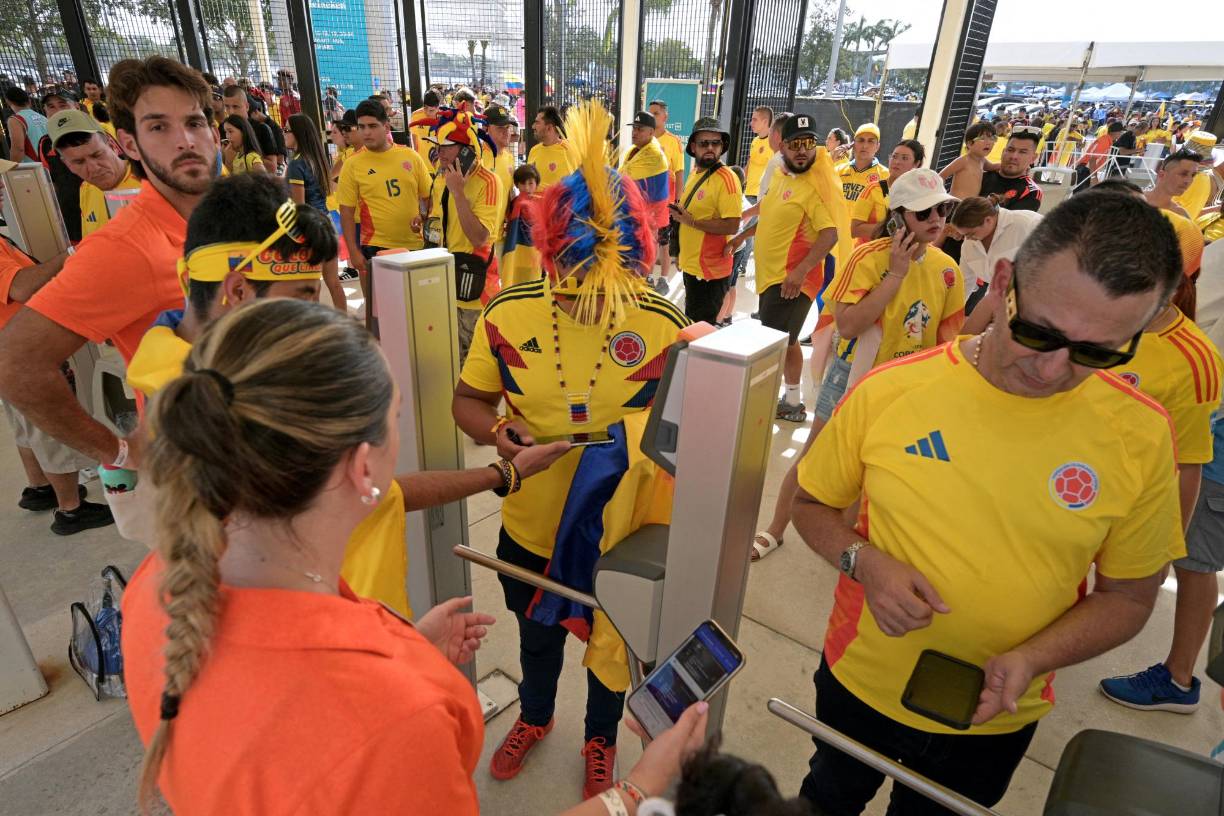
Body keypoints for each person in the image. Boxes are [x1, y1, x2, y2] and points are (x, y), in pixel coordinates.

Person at [122, 296, 700, 815]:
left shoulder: (156, 594)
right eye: (395, 420)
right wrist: (638, 789)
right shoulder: (396, 723)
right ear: (361, 467)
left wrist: (403, 654)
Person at [793, 191, 1184, 815]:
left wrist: (1035, 657)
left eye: (1098, 352)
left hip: (996, 717)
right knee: (826, 799)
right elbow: (810, 506)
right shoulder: (893, 391)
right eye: (1038, 332)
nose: (1055, 369)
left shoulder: (1140, 434)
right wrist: (862, 562)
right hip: (858, 679)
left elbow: (1130, 597)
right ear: (1003, 281)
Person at [453, 100, 691, 802]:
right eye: (573, 284)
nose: (590, 305)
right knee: (535, 639)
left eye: (607, 288)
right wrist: (499, 436)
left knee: (611, 653)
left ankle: (601, 737)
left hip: (619, 538)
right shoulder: (507, 313)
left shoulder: (664, 325)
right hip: (528, 528)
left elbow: (693, 448)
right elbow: (469, 404)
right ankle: (533, 715)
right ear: (553, 254)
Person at [0, 56, 219, 473]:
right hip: (198, 467)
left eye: (193, 122)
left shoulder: (227, 218)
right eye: (159, 127)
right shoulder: (127, 245)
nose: (185, 141)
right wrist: (118, 453)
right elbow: (15, 364)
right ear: (130, 143)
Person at [1085, 184, 1223, 714]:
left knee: (1194, 561)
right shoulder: (1111, 321)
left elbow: (1189, 463)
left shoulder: (1192, 356)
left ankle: (1179, 677)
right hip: (1102, 477)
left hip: (1197, 460)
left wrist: (1162, 544)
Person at [727, 113, 849, 424]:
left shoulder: (813, 187)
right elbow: (768, 215)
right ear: (783, 146)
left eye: (808, 144)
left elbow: (830, 233)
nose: (802, 150)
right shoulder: (782, 176)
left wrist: (800, 271)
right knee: (787, 342)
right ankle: (792, 400)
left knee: (775, 346)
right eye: (795, 144)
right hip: (772, 280)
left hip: (791, 281)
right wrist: (740, 235)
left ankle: (773, 405)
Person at [0, 236, 111, 535]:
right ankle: (71, 509)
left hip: (10, 352)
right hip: (21, 351)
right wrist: (71, 253)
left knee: (26, 426)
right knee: (51, 427)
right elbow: (21, 286)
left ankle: (40, 488)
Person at [336, 99, 431, 328]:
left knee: (417, 315)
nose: (366, 132)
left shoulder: (410, 157)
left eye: (372, 126)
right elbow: (346, 213)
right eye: (361, 127)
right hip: (375, 248)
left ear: (386, 127)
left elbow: (429, 198)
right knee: (381, 317)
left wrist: (424, 216)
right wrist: (354, 251)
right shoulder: (353, 164)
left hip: (414, 247)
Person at [424, 111, 503, 362]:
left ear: (467, 149)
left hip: (474, 287)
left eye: (448, 146)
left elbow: (480, 237)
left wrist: (458, 192)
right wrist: (425, 225)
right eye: (438, 145)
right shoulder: (440, 176)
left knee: (474, 363)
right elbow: (441, 220)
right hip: (441, 280)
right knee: (447, 357)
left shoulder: (489, 182)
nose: (441, 152)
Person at [671, 117, 741, 325]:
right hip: (694, 267)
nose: (710, 148)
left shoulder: (727, 179)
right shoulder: (695, 173)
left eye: (715, 143)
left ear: (722, 146)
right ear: (693, 146)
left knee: (701, 330)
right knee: (693, 323)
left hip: (710, 272)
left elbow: (732, 225)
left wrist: (691, 221)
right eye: (704, 143)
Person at [283, 113, 347, 312]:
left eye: (286, 130)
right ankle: (344, 325)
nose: (283, 134)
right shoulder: (317, 158)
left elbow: (299, 206)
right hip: (326, 223)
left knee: (312, 285)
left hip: (309, 228)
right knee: (333, 281)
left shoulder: (296, 164)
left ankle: (316, 331)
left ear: (298, 134)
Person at [48, 108, 141, 239]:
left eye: (97, 155)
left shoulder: (152, 181)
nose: (93, 168)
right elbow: (91, 242)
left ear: (112, 146)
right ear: (67, 165)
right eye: (79, 162)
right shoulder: (86, 189)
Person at [949, 195, 1042, 322]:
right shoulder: (969, 245)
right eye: (964, 235)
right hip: (999, 302)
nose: (968, 239)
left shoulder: (1027, 223)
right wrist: (950, 316)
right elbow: (964, 283)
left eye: (971, 234)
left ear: (988, 220)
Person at [620, 110, 674, 299]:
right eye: (634, 128)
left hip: (650, 215)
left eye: (640, 129)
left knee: (646, 253)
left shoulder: (653, 154)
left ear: (651, 132)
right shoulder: (634, 149)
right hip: (640, 213)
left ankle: (649, 282)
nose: (634, 132)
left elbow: (624, 180)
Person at [849, 139, 923, 242]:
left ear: (916, 163)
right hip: (870, 254)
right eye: (894, 156)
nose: (897, 162)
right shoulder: (873, 189)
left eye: (905, 158)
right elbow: (854, 229)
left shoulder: (920, 195)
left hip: (902, 255)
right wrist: (891, 229)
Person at [37, 90, 86, 243]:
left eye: (62, 105)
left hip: (101, 212)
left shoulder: (95, 134)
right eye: (51, 107)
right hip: (70, 217)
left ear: (76, 107)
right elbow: (50, 183)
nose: (57, 112)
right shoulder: (45, 143)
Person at [650, 99, 685, 293]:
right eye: (650, 113)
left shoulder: (673, 141)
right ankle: (647, 277)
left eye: (656, 113)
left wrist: (677, 202)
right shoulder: (644, 138)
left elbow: (679, 172)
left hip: (665, 202)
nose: (652, 116)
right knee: (648, 240)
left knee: (663, 242)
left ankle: (663, 279)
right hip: (646, 202)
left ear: (665, 117)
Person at [979, 126, 1043, 212]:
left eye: (1022, 152)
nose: (1014, 156)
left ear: (1033, 158)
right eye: (1010, 150)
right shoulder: (980, 176)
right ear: (1003, 152)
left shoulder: (1031, 192)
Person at [221, 85, 276, 173]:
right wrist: (225, 157)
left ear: (247, 106)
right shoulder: (223, 128)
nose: (231, 112)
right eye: (227, 106)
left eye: (235, 106)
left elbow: (273, 168)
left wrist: (246, 155)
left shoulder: (261, 129)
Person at [502, 163, 541, 285]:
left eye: (530, 183)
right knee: (519, 282)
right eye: (523, 184)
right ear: (517, 185)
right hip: (518, 252)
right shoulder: (515, 203)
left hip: (533, 252)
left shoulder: (539, 202)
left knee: (530, 282)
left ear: (536, 184)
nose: (527, 188)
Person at [938, 122, 996, 200]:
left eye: (992, 138)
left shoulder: (982, 160)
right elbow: (941, 176)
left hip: (969, 206)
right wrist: (942, 195)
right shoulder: (964, 160)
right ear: (969, 144)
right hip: (956, 203)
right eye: (982, 138)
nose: (988, 142)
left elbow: (992, 167)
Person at [837, 123, 888, 204]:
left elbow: (886, 207)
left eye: (871, 141)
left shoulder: (885, 176)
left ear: (877, 147)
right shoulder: (838, 171)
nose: (865, 145)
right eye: (861, 140)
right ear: (853, 144)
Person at [528, 105, 575, 190]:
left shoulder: (570, 149)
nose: (533, 127)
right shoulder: (533, 151)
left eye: (537, 123)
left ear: (549, 128)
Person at [1147, 148, 1202, 219]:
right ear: (1162, 175)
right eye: (1183, 174)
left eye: (1193, 175)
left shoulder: (1181, 216)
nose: (1188, 181)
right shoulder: (1134, 199)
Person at [4, 86, 48, 163]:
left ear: (8, 101)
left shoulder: (15, 120)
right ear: (29, 101)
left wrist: (12, 170)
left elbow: (18, 149)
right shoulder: (43, 117)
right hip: (51, 165)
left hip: (33, 168)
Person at [743, 105, 774, 200]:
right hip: (748, 193)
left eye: (754, 120)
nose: (751, 123)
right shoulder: (755, 141)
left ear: (765, 122)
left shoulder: (773, 143)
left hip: (760, 196)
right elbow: (749, 165)